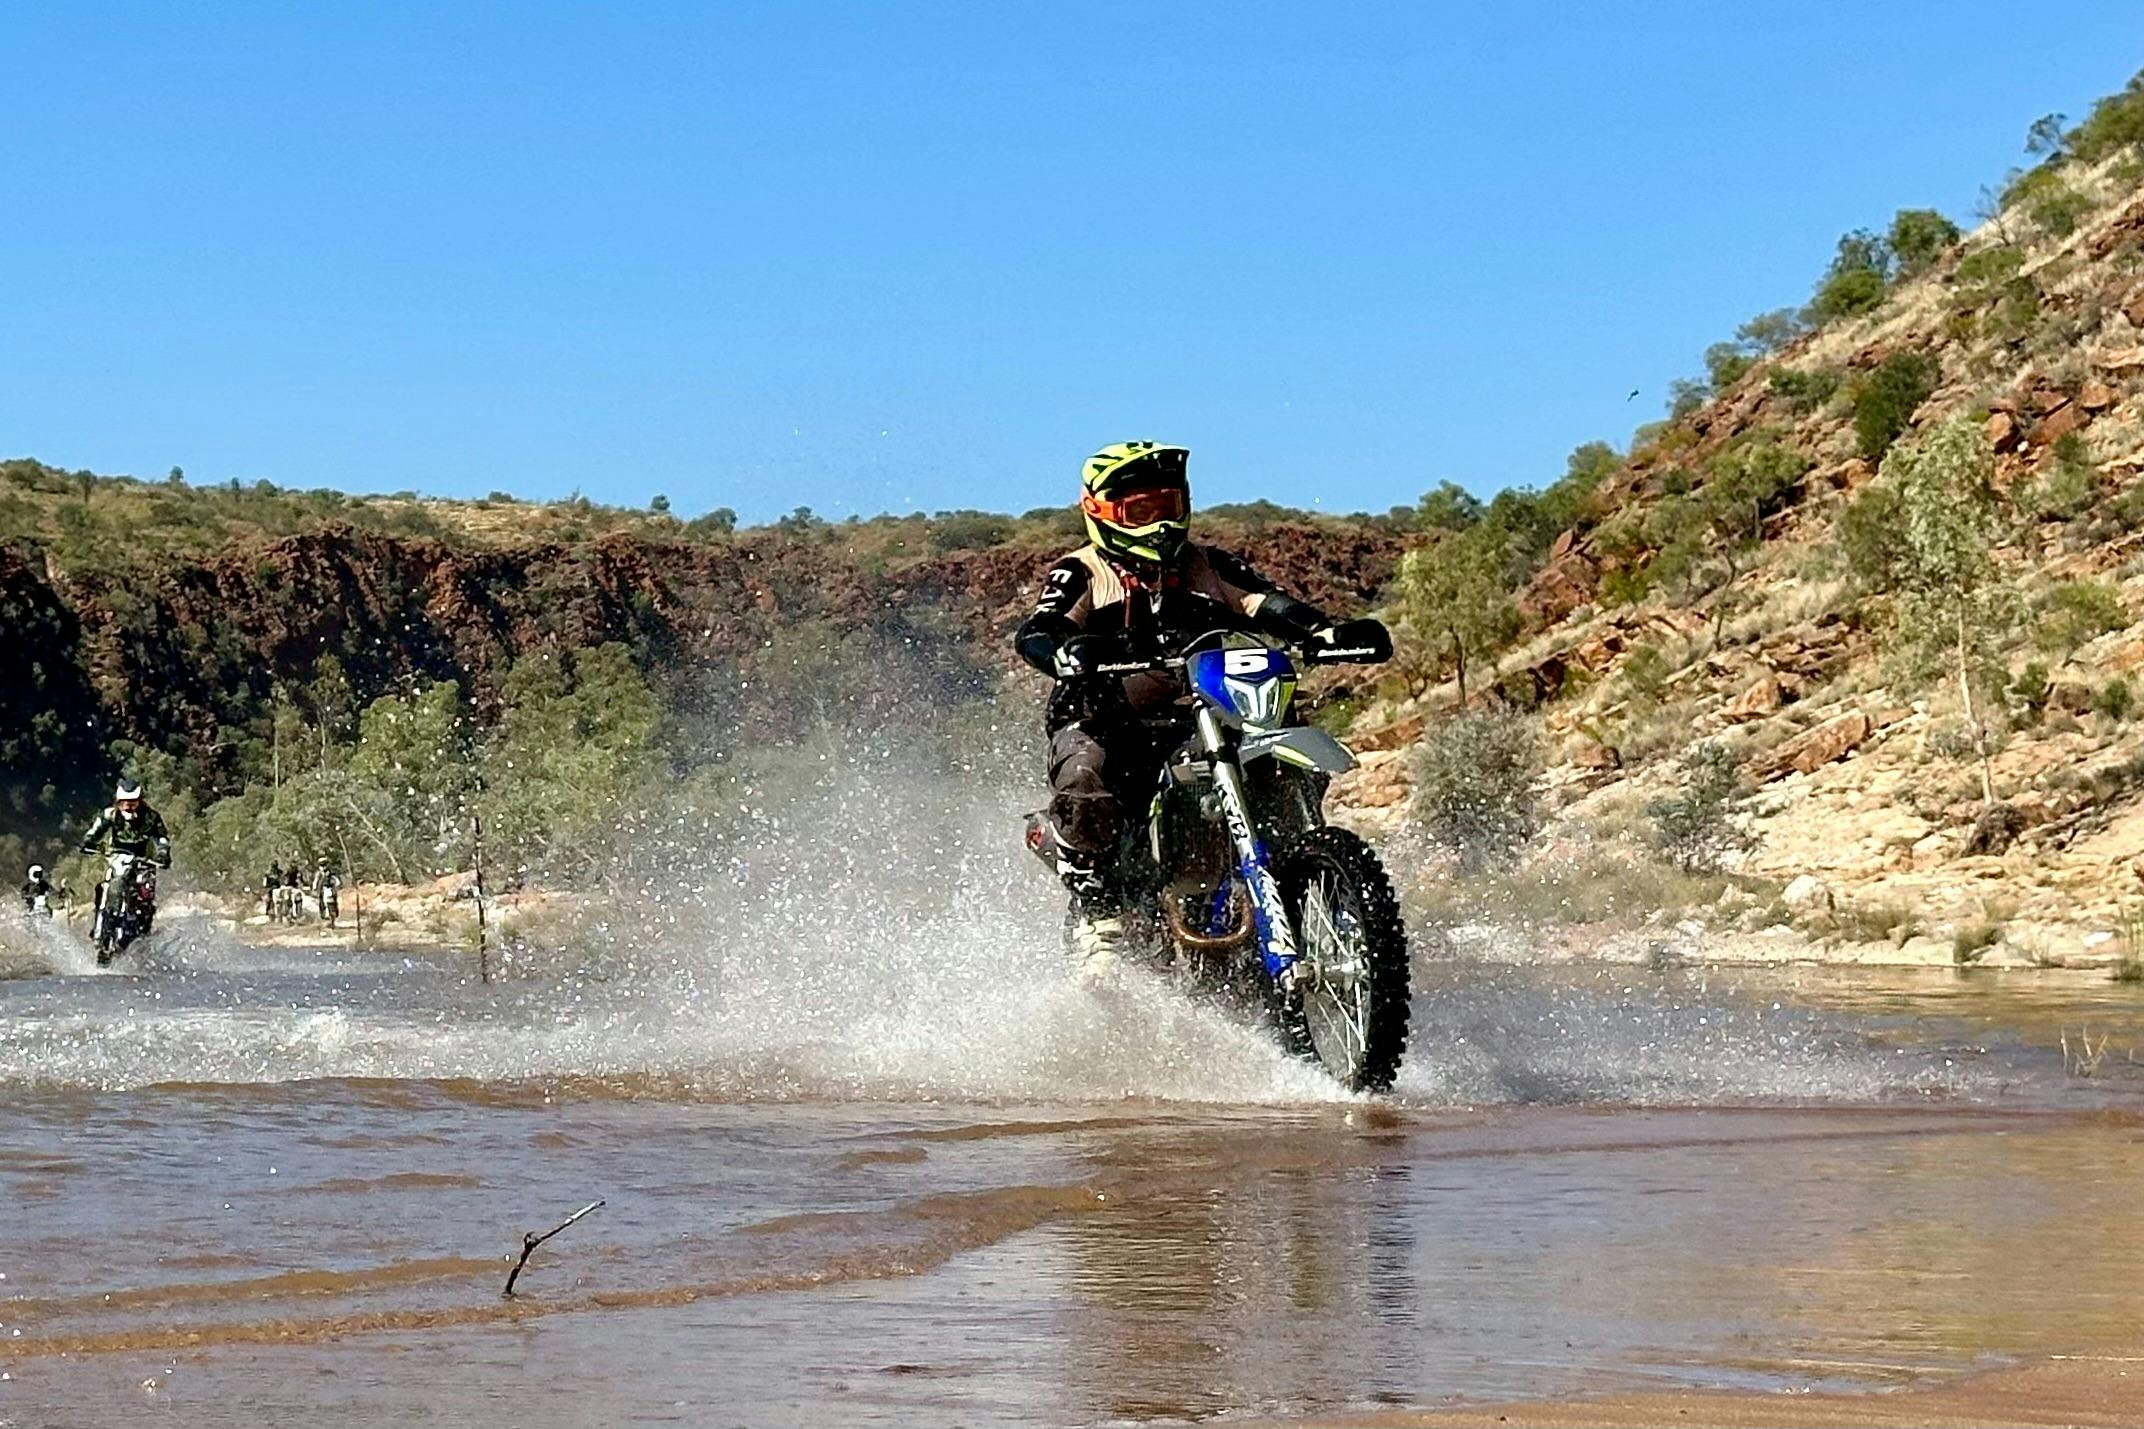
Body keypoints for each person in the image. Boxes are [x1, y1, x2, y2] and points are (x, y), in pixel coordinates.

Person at [1011, 441, 1390, 970]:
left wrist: (1324, 632)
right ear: (1100, 511)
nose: (1160, 523)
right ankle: (1100, 912)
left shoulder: (1208, 565)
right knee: (1086, 776)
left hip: (1201, 708)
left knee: (1282, 739)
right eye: (1141, 511)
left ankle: (1306, 872)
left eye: (1167, 505)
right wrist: (1061, 650)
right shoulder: (1083, 571)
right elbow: (1039, 628)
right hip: (1105, 715)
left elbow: (1269, 604)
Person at [78, 778, 173, 936]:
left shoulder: (151, 817)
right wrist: (88, 841)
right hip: (118, 856)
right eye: (125, 802)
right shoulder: (110, 815)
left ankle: (144, 930)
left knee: (146, 894)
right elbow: (95, 831)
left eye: (133, 802)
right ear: (118, 802)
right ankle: (99, 922)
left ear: (140, 801)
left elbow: (161, 838)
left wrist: (163, 853)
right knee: (105, 886)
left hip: (144, 860)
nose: (129, 806)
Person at [312, 858, 341, 926]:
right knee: (322, 903)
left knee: (333, 902)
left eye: (324, 864)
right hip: (323, 890)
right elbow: (316, 881)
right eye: (322, 865)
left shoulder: (331, 872)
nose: (323, 866)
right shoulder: (319, 873)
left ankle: (333, 916)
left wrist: (336, 886)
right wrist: (315, 888)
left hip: (330, 889)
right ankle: (325, 916)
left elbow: (337, 880)